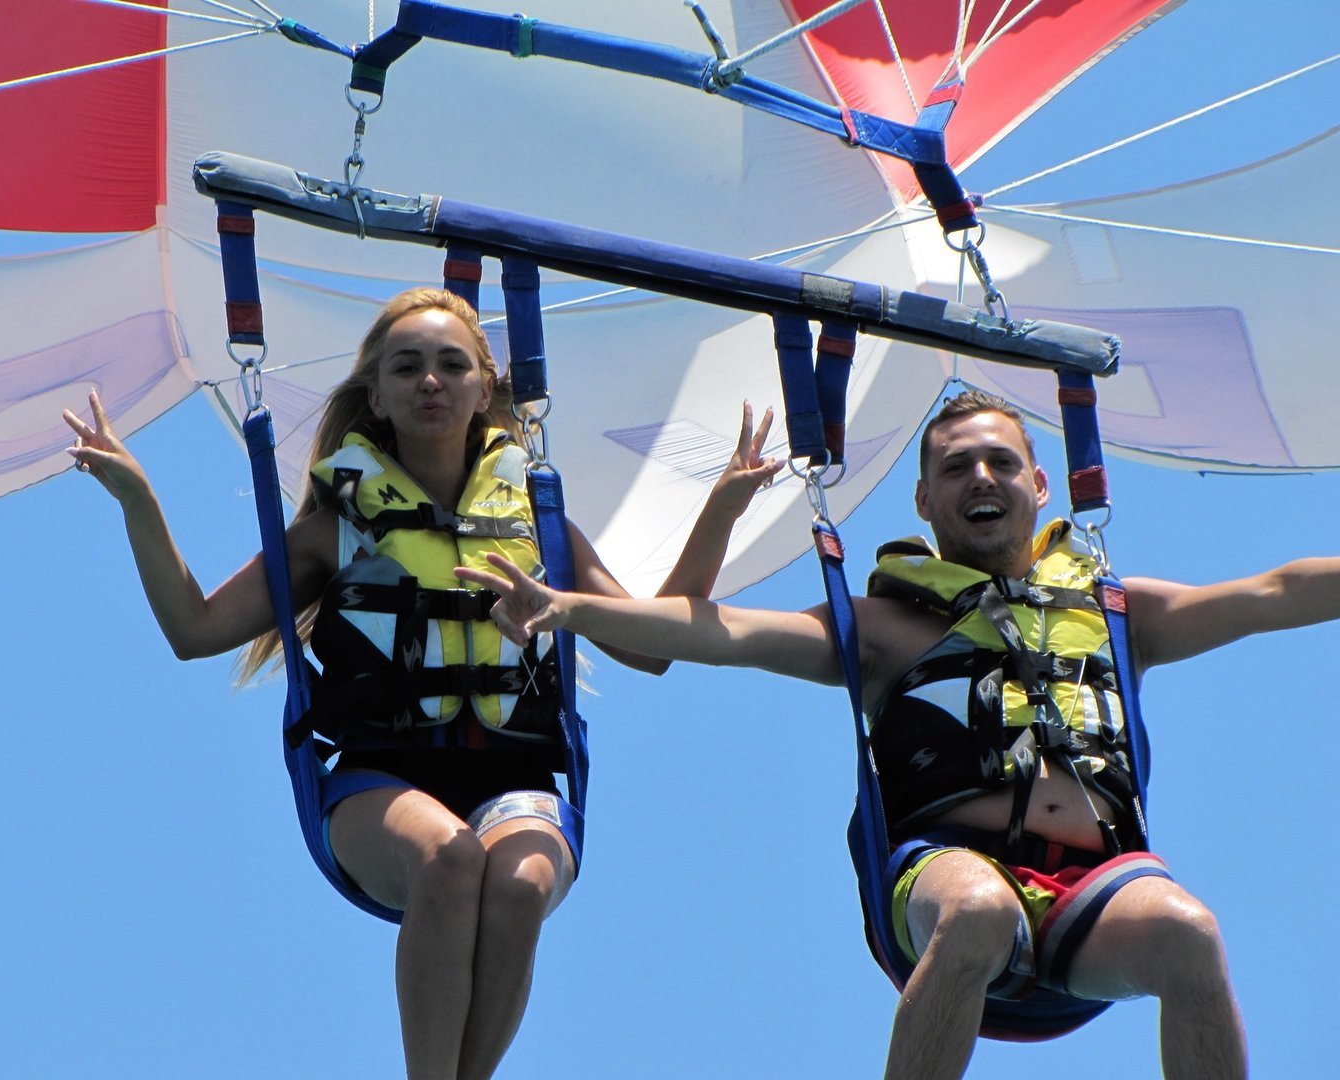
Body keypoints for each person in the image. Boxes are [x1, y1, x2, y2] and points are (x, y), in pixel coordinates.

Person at [460, 388, 1340, 1080]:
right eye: (958, 469)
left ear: (1041, 486)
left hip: (1092, 893)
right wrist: (567, 607)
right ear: (925, 500)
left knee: (1190, 932)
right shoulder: (883, 628)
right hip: (946, 874)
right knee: (981, 910)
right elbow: (713, 633)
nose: (982, 479)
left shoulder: (1117, 614)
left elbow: (1275, 594)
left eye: (1002, 462)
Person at [62, 287, 781, 1080]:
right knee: (448, 857)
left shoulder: (538, 525)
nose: (430, 381)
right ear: (377, 395)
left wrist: (721, 509)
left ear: (484, 389)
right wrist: (139, 499)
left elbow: (652, 646)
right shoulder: (334, 530)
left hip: (515, 778)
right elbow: (193, 631)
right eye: (407, 368)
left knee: (519, 881)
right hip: (378, 782)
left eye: (450, 365)